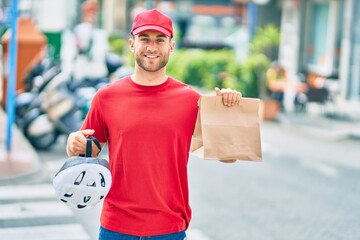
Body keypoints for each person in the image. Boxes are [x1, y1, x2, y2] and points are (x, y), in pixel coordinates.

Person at [66, 9, 242, 240]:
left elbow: (228, 156)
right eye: (144, 39)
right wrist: (72, 143)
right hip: (116, 226)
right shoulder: (106, 97)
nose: (152, 47)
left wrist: (227, 110)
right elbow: (87, 151)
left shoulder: (191, 100)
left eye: (160, 39)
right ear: (132, 44)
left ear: (171, 46)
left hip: (169, 227)